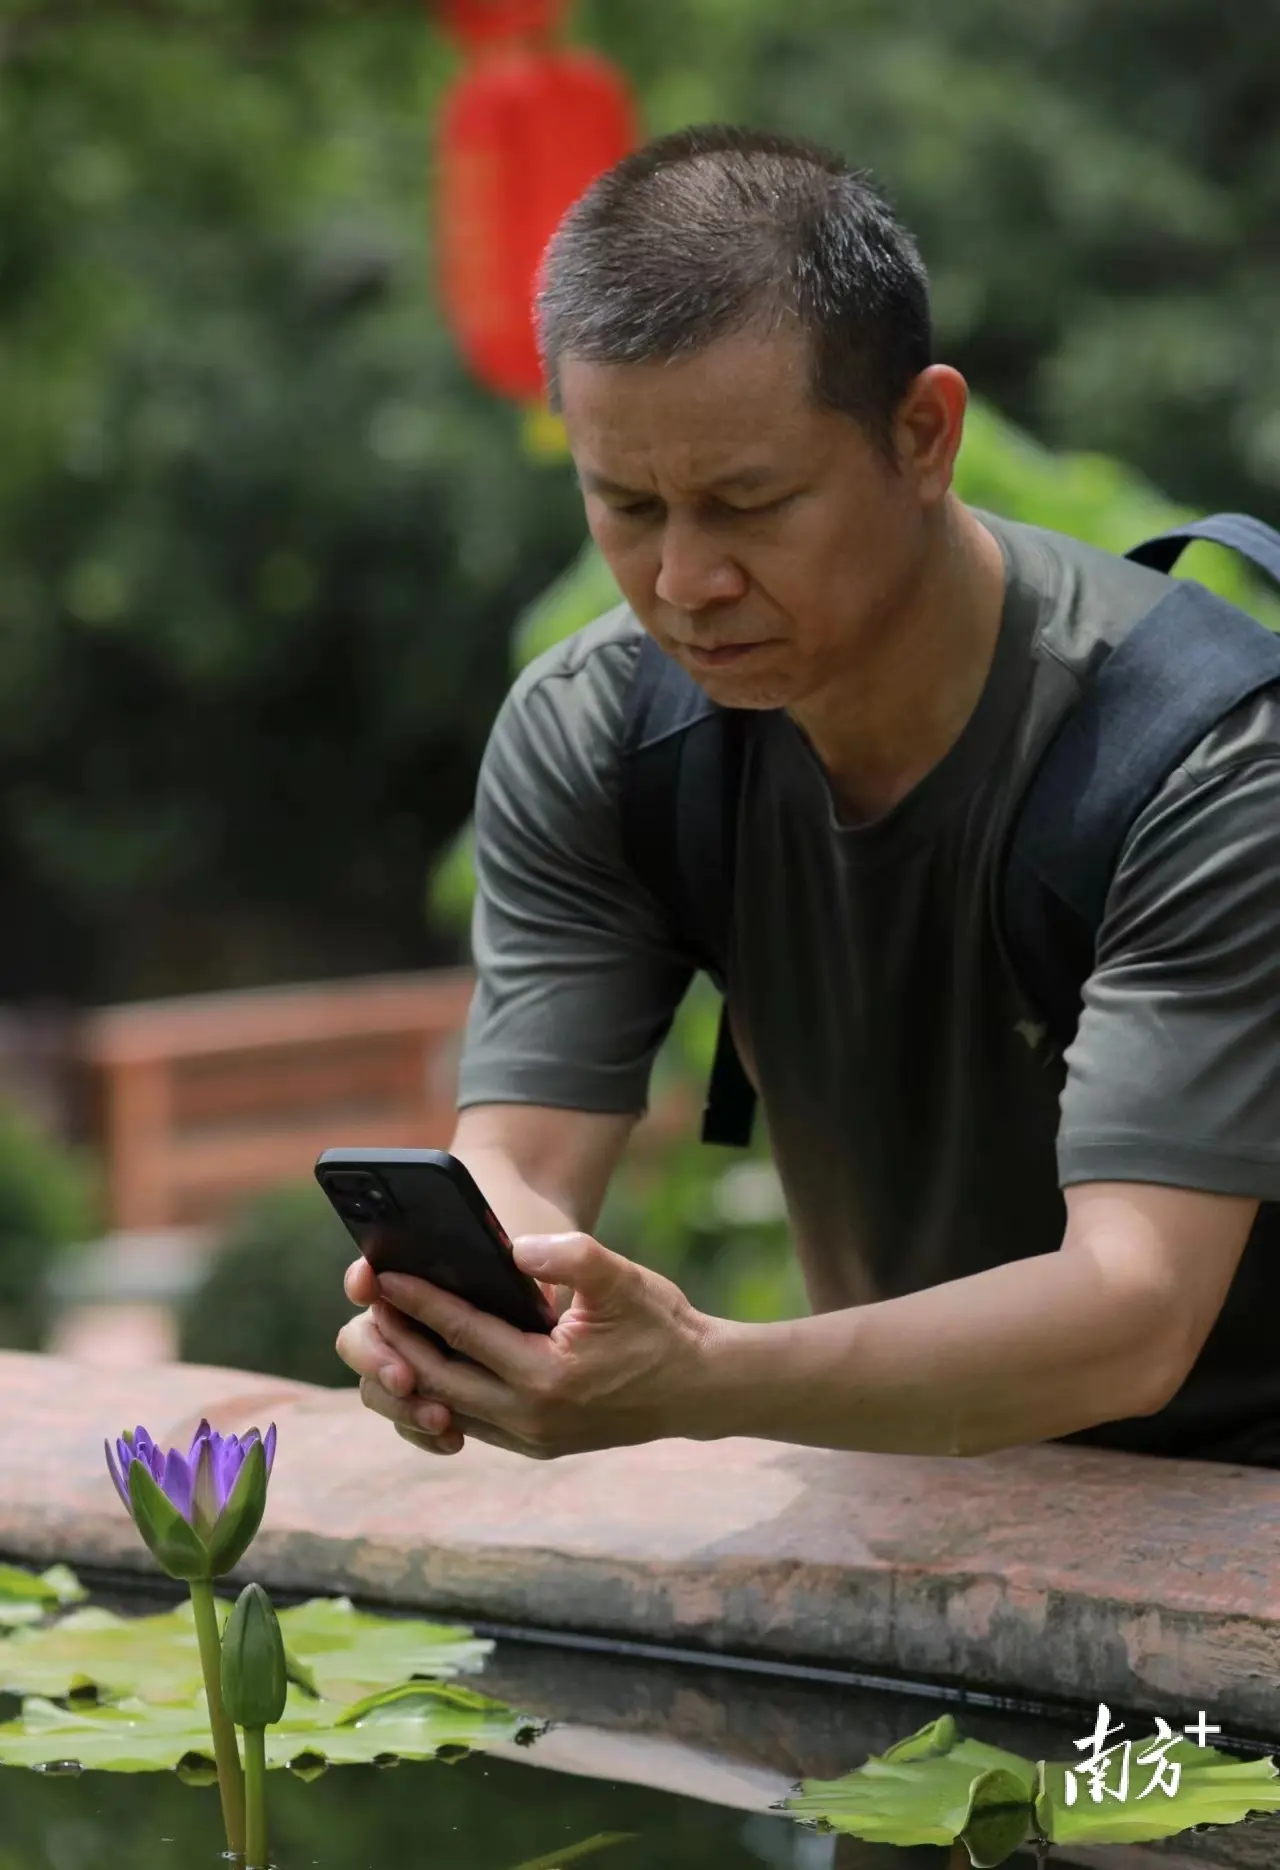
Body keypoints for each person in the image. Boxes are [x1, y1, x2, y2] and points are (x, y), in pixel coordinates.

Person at [336, 125, 1280, 1469]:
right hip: (906, 1485)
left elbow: (1136, 1311)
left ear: (923, 433)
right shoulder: (605, 729)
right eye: (628, 505)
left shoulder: (1203, 758)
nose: (684, 580)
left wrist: (702, 1376)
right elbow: (521, 1157)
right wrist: (457, 1301)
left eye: (748, 502)